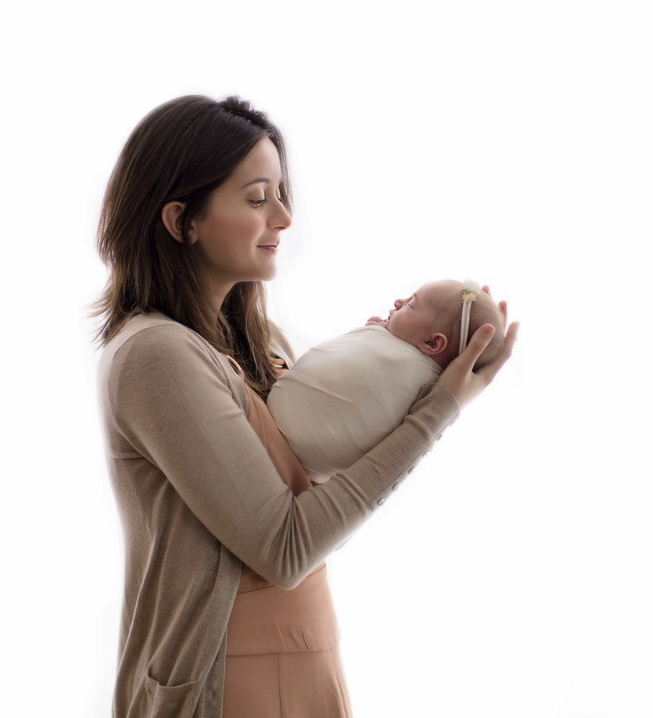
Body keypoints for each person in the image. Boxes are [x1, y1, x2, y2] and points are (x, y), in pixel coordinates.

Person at [91, 95, 518, 718]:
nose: (285, 218)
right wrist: (440, 410)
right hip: (222, 687)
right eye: (258, 198)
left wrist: (422, 378)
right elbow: (286, 547)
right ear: (182, 219)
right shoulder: (156, 355)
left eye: (281, 194)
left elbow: (319, 520)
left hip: (304, 658)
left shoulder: (259, 350)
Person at [268, 279, 506, 481]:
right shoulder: (428, 397)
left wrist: (375, 333)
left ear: (433, 343)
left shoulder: (412, 376)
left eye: (411, 305)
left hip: (274, 427)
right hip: (309, 468)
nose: (398, 302)